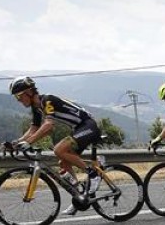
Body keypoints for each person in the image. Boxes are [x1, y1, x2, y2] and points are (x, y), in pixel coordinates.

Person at [9, 76, 103, 215]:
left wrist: (29, 142)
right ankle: (79, 197)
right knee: (63, 164)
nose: (19, 100)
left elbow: (49, 125)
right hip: (78, 129)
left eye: (19, 96)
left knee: (59, 149)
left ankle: (93, 174)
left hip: (88, 125)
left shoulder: (47, 100)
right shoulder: (36, 108)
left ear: (29, 92)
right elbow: (34, 129)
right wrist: (17, 142)